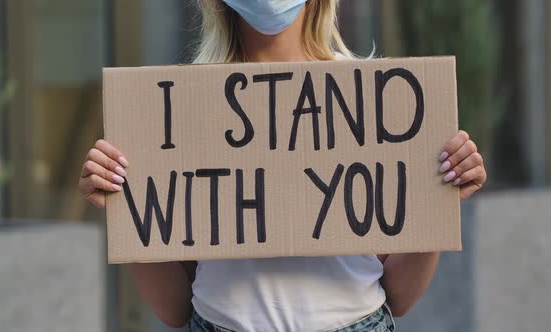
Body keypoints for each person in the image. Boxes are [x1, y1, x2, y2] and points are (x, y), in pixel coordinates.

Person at [78, 1, 487, 331]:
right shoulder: (181, 109)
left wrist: (438, 196)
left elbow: (400, 296)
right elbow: (173, 308)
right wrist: (127, 202)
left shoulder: (372, 101)